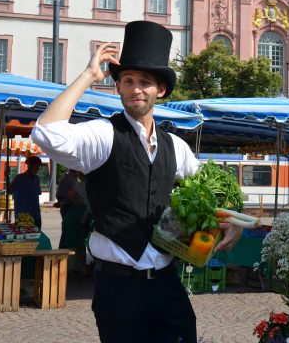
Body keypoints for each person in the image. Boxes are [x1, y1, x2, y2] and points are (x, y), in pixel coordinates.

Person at [31, 20, 242, 343]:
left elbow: (210, 192)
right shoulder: (104, 134)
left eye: (145, 82)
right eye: (127, 81)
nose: (135, 88)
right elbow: (46, 133)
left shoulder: (177, 147)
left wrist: (230, 221)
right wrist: (89, 75)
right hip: (119, 288)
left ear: (161, 90)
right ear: (118, 87)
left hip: (167, 284)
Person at [10, 156, 43, 228]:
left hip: (36, 215)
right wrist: (7, 177)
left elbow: (38, 192)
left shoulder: (37, 179)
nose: (38, 169)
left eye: (39, 167)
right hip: (23, 216)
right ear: (30, 166)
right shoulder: (19, 178)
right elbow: (9, 190)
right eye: (36, 166)